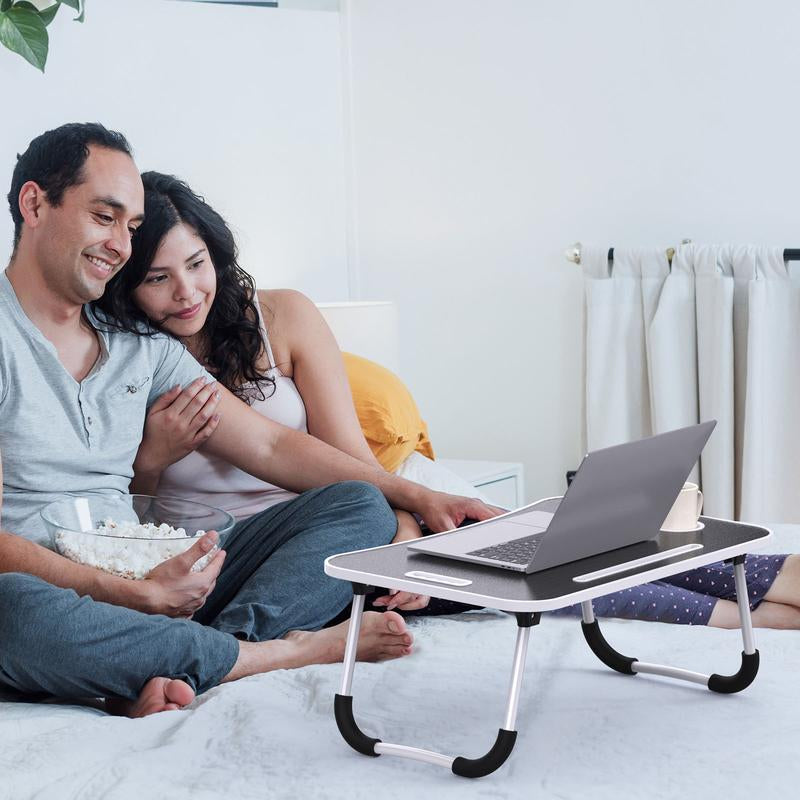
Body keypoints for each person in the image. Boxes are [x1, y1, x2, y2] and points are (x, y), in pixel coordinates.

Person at [98, 172, 800, 630]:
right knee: (517, 573)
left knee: (546, 535)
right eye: (158, 279)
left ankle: (781, 577)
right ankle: (756, 620)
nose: (187, 293)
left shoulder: (281, 315)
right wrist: (151, 462)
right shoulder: (129, 358)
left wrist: (403, 527)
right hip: (256, 562)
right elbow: (119, 512)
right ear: (127, 286)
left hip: (351, 519)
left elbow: (343, 458)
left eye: (198, 266)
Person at [0, 123, 496, 719]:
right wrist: (138, 595)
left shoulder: (140, 346)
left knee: (357, 502)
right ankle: (273, 654)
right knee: (12, 610)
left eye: (131, 228)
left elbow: (269, 444)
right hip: (53, 593)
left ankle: (198, 653)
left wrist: (421, 496)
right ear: (35, 204)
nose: (121, 246)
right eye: (104, 217)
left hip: (156, 579)